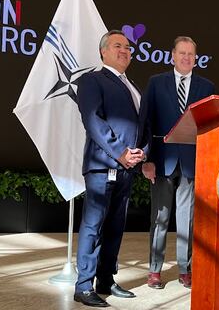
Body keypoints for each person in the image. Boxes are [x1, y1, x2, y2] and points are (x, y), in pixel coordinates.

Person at [73, 30, 149, 308]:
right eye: (118, 46)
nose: (125, 50)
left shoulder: (134, 86)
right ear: (103, 51)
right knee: (93, 226)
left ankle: (105, 279)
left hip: (127, 168)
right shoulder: (92, 80)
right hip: (102, 165)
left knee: (116, 226)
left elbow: (144, 127)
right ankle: (83, 286)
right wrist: (120, 152)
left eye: (128, 47)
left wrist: (143, 152)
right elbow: (92, 120)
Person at [140, 36, 215, 290]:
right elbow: (146, 123)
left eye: (191, 54)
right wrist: (146, 158)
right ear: (172, 55)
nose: (186, 58)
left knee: (187, 219)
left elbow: (209, 127)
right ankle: (154, 270)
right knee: (159, 218)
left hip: (192, 162)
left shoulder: (206, 87)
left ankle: (185, 268)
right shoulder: (156, 83)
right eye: (182, 53)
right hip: (161, 161)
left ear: (196, 58)